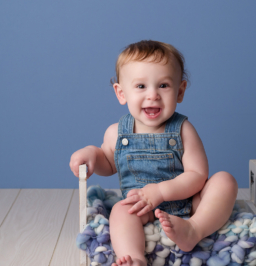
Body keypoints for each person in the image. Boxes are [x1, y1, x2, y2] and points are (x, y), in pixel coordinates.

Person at [69, 40, 238, 266]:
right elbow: (108, 163)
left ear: (180, 91)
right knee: (121, 211)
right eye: (141, 86)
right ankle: (134, 258)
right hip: (141, 207)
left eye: (163, 86)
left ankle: (194, 229)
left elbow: (198, 175)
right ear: (121, 93)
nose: (153, 95)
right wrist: (92, 154)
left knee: (225, 181)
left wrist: (160, 191)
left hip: (188, 203)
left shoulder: (183, 130)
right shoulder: (117, 132)